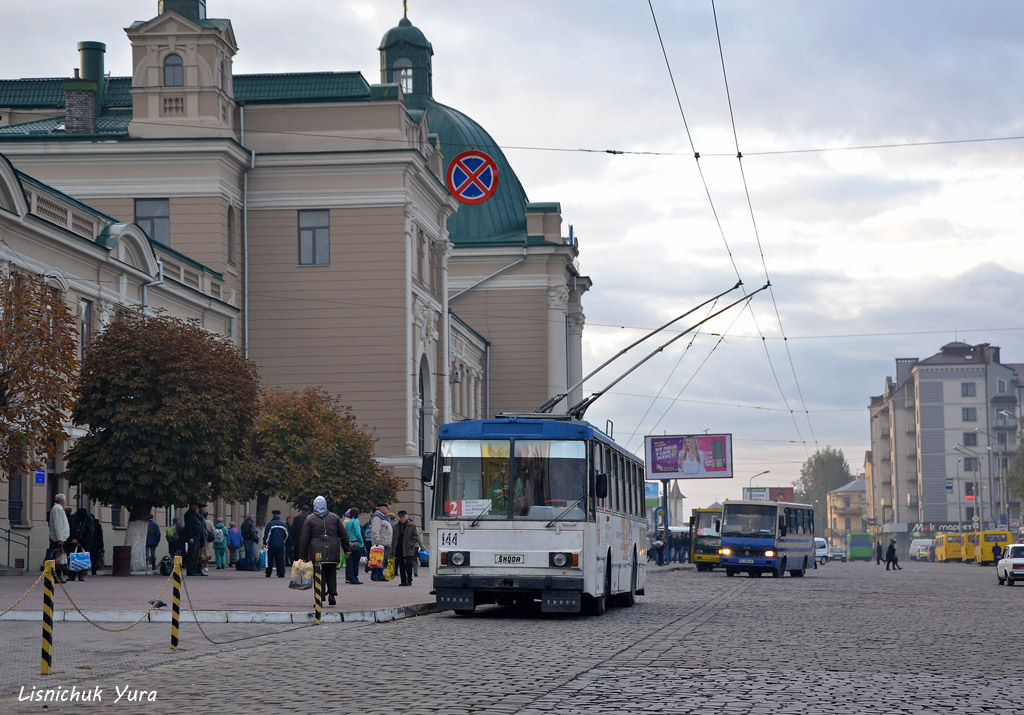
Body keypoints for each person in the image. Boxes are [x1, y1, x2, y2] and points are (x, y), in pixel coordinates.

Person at [298, 496, 350, 606]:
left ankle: (319, 599)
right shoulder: (334, 518)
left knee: (318, 574)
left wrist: (302, 556)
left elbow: (304, 539)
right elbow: (343, 534)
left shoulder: (310, 519)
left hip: (316, 552)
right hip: (333, 550)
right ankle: (332, 595)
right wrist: (347, 549)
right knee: (331, 573)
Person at [390, 510, 422, 586]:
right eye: (401, 517)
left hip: (408, 548)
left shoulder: (412, 526)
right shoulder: (396, 526)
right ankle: (403, 581)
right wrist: (392, 549)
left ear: (406, 517)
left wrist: (411, 544)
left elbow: (415, 536)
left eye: (403, 517)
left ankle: (409, 579)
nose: (402, 519)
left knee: (409, 564)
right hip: (399, 547)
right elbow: (394, 538)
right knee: (401, 565)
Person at [67, 506, 95, 582]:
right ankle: (71, 574)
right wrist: (71, 539)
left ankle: (81, 574)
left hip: (84, 543)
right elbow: (68, 529)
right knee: (72, 558)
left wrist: (81, 542)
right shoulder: (72, 518)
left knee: (83, 558)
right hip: (72, 542)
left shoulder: (89, 520)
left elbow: (90, 533)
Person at [48, 494, 71, 584]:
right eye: (64, 500)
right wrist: (60, 538)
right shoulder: (58, 509)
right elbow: (58, 525)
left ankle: (57, 576)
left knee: (59, 558)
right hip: (58, 538)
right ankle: (57, 576)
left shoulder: (58, 508)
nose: (65, 502)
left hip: (59, 538)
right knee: (58, 558)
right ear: (62, 500)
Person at [182, 502, 207, 577]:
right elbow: (188, 526)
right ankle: (190, 571)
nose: (196, 507)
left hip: (198, 536)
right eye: (195, 505)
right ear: (192, 505)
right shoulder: (189, 514)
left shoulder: (196, 514)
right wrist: (190, 537)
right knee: (192, 554)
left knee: (196, 555)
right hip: (193, 537)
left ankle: (194, 570)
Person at [370, 503, 393, 582]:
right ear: (381, 508)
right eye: (385, 508)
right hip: (381, 542)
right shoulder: (377, 516)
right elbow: (375, 529)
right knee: (378, 559)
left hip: (385, 541)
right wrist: (377, 540)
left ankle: (379, 574)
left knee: (381, 559)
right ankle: (376, 575)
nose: (386, 510)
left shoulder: (383, 517)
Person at [263, 509, 289, 578]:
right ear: (279, 515)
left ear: (273, 515)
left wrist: (265, 543)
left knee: (270, 559)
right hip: (280, 545)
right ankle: (281, 573)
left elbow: (267, 535)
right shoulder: (284, 524)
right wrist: (283, 541)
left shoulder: (270, 524)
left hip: (272, 544)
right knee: (280, 559)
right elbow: (286, 535)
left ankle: (268, 573)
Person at [345, 508, 365, 584]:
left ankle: (350, 577)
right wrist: (361, 541)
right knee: (356, 562)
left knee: (350, 562)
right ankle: (355, 577)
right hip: (356, 544)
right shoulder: (356, 521)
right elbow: (358, 533)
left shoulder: (348, 522)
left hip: (349, 543)